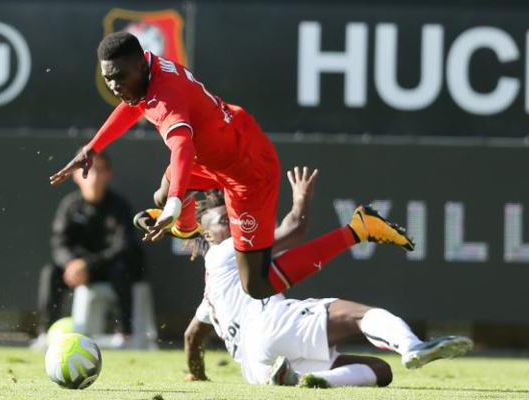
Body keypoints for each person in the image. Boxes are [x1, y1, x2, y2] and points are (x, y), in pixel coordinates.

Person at [49, 31, 415, 301]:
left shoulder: (167, 99)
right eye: (108, 77)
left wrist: (176, 205)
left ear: (140, 62)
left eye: (118, 76)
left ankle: (357, 228)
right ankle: (185, 224)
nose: (114, 85)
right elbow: (135, 107)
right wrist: (93, 146)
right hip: (223, 148)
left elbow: (181, 148)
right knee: (163, 193)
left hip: (247, 172)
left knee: (256, 285)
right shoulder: (148, 74)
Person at [182, 166, 473, 387]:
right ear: (208, 235)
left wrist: (197, 375)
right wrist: (300, 199)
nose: (232, 224)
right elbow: (294, 229)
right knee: (363, 316)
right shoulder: (224, 251)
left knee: (379, 371)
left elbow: (192, 336)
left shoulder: (213, 291)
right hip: (269, 325)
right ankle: (413, 347)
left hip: (256, 369)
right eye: (224, 220)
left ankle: (303, 380)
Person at [33, 151, 147, 349]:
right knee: (50, 272)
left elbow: (123, 246)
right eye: (88, 171)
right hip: (76, 270)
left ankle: (124, 335)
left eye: (99, 171)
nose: (93, 177)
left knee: (122, 269)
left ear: (108, 174)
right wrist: (72, 264)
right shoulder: (69, 206)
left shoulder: (119, 206)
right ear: (76, 175)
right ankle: (45, 334)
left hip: (108, 268)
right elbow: (59, 243)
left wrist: (88, 264)